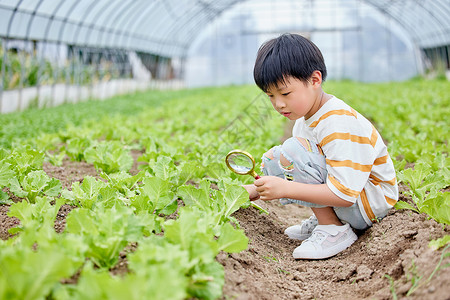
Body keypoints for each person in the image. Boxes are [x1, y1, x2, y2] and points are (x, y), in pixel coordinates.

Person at [243, 33, 398, 260]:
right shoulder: (304, 120)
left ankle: (333, 229)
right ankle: (329, 219)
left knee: (291, 153)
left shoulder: (338, 122)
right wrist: (255, 190)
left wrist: (284, 189)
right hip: (353, 200)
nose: (278, 104)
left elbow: (345, 193)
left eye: (285, 93)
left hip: (369, 205)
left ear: (315, 80)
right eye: (270, 96)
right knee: (275, 157)